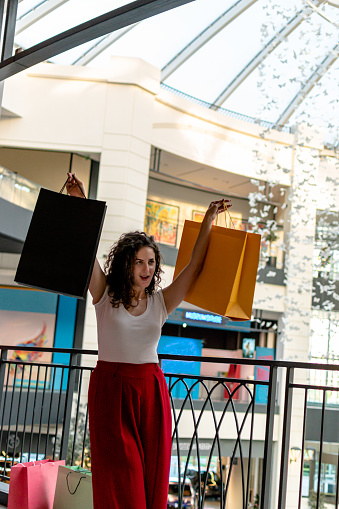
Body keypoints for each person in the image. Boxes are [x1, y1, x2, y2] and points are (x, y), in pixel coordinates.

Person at [66, 172, 231, 509]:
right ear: (126, 264)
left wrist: (208, 220)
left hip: (151, 388)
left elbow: (193, 267)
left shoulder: (161, 301)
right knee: (119, 476)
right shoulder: (104, 294)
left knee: (152, 475)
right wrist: (78, 200)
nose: (145, 268)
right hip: (111, 389)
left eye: (151, 262)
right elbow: (84, 253)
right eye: (138, 261)